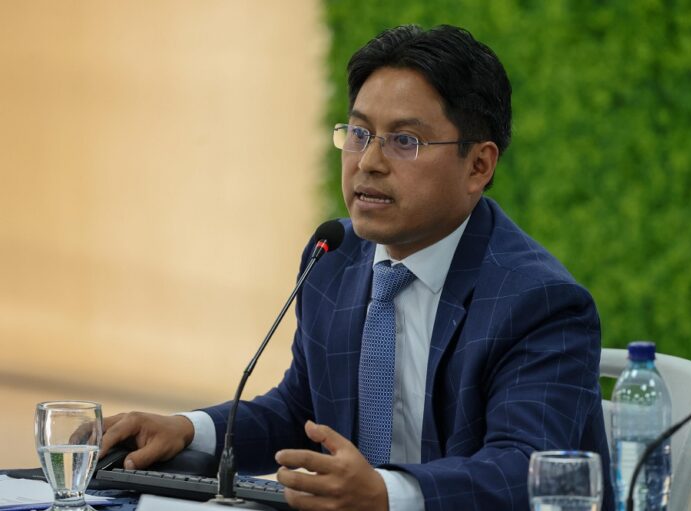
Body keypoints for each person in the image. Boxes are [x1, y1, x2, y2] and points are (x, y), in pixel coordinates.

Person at [101, 24, 614, 511]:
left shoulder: (538, 301)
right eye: (359, 133)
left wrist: (385, 495)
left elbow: (526, 471)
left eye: (405, 140)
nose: (368, 162)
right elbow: (302, 411)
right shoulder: (335, 256)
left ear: (478, 165)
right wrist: (188, 430)